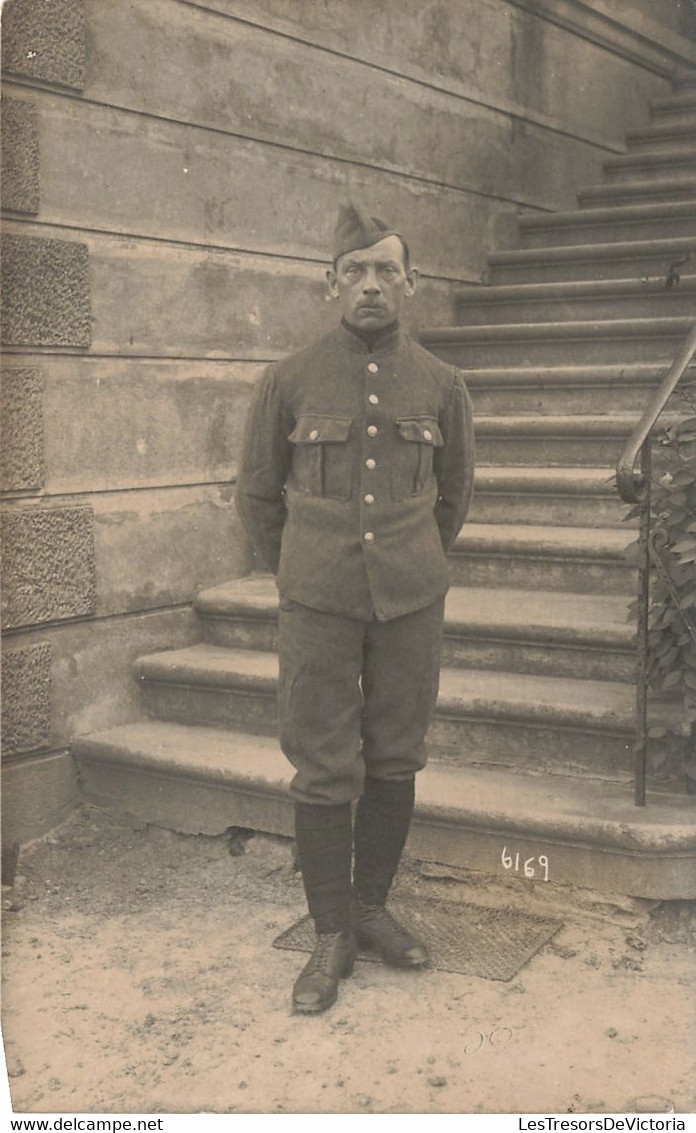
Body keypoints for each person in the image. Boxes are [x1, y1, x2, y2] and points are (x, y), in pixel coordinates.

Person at [236, 202, 475, 1013]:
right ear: (329, 282)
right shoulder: (290, 378)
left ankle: (371, 908)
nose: (370, 284)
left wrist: (414, 564)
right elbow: (259, 495)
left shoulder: (444, 385)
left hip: (411, 599)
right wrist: (305, 571)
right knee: (323, 762)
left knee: (397, 752)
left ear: (409, 281)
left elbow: (455, 497)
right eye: (354, 270)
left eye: (384, 269)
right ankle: (330, 931)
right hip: (318, 601)